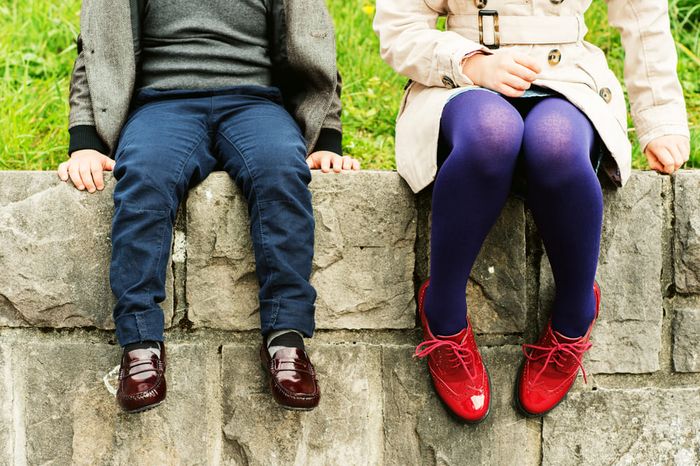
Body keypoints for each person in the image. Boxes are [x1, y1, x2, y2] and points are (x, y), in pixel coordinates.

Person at [374, 0, 690, 421]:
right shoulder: (466, 66)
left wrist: (660, 119)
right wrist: (470, 61)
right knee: (491, 136)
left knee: (558, 149)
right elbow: (400, 26)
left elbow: (642, 12)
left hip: (566, 76)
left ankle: (574, 316)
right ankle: (443, 316)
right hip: (461, 83)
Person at [58, 0, 360, 414]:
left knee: (280, 173)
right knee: (145, 177)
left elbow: (313, 44)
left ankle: (286, 337)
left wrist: (326, 139)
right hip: (163, 104)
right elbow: (94, 48)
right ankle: (140, 342)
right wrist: (86, 143)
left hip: (255, 104)